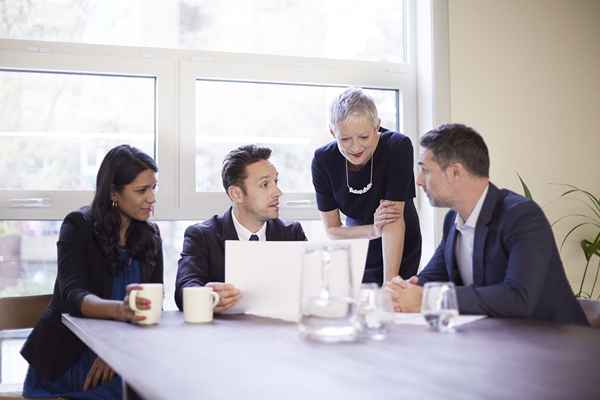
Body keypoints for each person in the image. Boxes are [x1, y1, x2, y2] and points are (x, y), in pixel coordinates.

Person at [386, 123, 588, 325]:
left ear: (455, 172)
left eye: (425, 171)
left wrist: (427, 298)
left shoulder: (522, 217)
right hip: (498, 342)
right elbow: (431, 278)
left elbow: (518, 298)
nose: (419, 181)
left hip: (560, 343)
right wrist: (402, 291)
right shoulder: (452, 221)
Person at [21, 145, 164, 398]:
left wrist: (119, 350)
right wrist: (120, 311)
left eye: (154, 187)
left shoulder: (150, 235)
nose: (151, 198)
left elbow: (155, 302)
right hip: (70, 355)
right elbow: (73, 295)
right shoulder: (78, 225)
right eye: (142, 190)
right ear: (114, 193)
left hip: (126, 351)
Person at [175, 144, 306, 313]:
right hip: (224, 335)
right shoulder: (202, 235)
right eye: (265, 184)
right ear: (236, 194)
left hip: (279, 331)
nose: (277, 192)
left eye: (276, 182)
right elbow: (183, 291)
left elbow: (312, 285)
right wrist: (207, 296)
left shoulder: (292, 233)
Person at [311, 87, 421, 285]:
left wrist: (390, 284)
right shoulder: (323, 159)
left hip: (398, 238)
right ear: (332, 131)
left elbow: (392, 219)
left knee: (393, 298)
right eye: (344, 139)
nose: (355, 147)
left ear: (377, 126)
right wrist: (372, 230)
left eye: (364, 137)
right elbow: (333, 230)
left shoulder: (397, 147)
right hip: (358, 239)